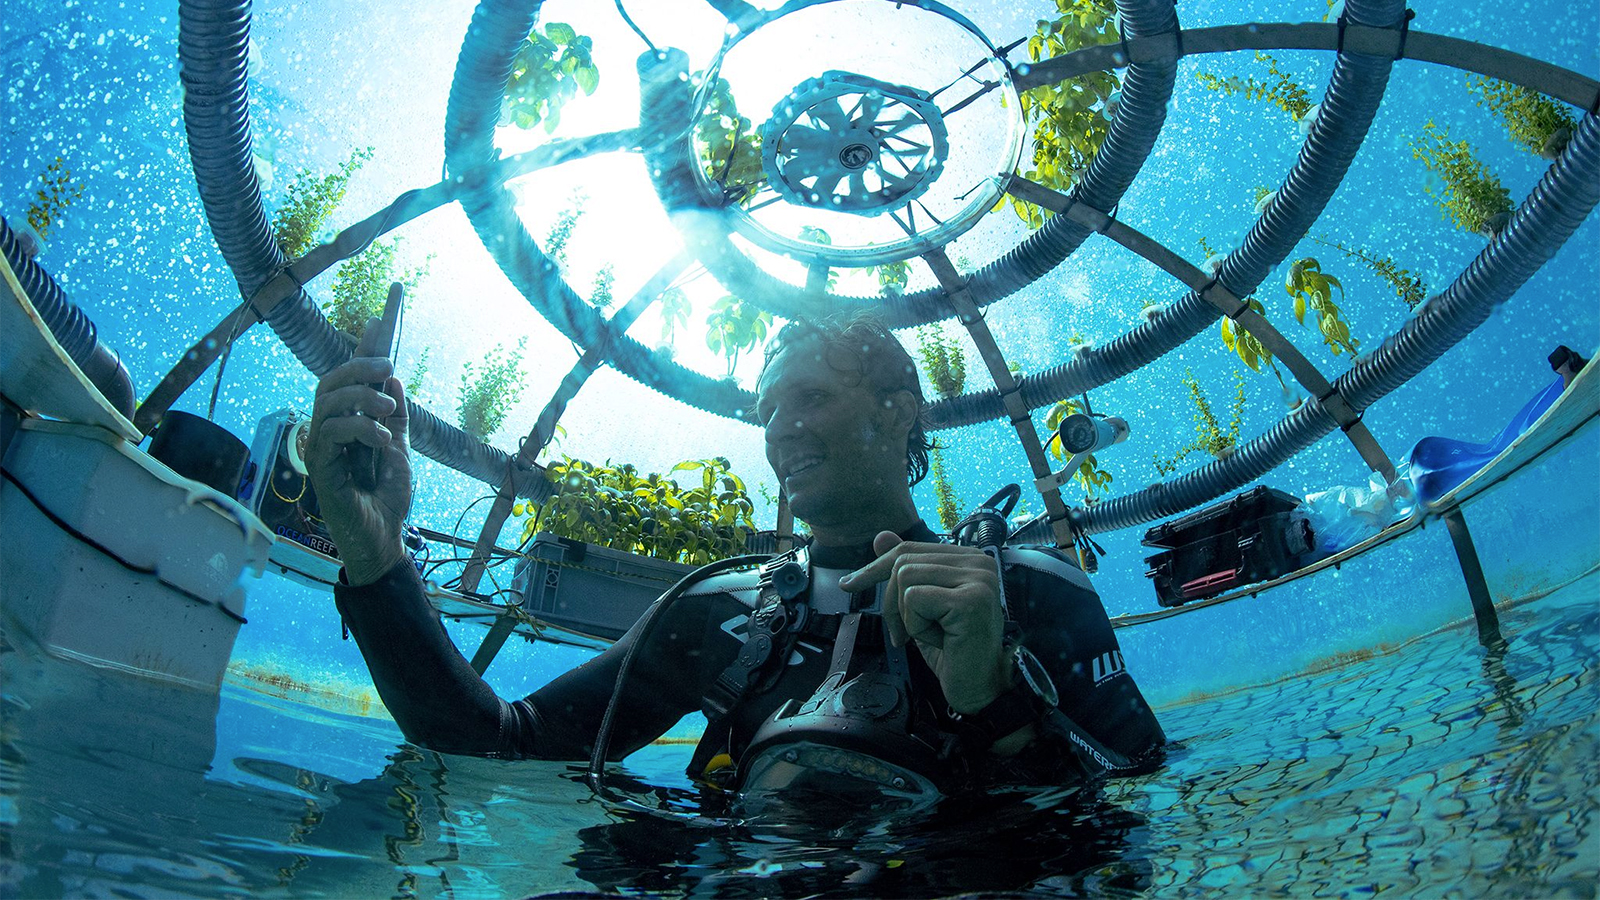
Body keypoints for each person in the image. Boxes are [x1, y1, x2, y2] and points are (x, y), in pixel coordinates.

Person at [307, 312, 1165, 795]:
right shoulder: (717, 614)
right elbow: (493, 742)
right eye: (767, 411)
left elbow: (1136, 822)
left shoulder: (1030, 596)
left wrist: (998, 706)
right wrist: (377, 558)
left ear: (900, 409)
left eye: (811, 397)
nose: (781, 429)